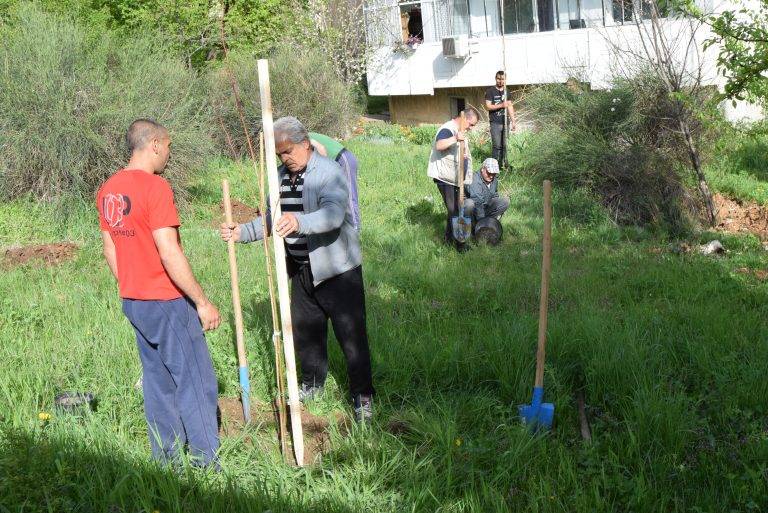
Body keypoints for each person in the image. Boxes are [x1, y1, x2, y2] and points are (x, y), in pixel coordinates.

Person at [219, 117, 375, 423]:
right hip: (302, 270)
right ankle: (312, 385)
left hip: (337, 271)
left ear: (305, 144)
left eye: (288, 151)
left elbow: (332, 215)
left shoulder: (329, 173)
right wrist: (242, 232)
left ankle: (362, 397)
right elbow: (271, 219)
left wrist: (300, 222)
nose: (285, 158)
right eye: (279, 154)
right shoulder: (279, 178)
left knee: (351, 336)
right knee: (307, 333)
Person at [97, 119, 221, 468]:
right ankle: (205, 463)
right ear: (153, 144)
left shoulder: (109, 189)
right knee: (196, 378)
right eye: (168, 146)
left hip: (134, 300)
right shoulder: (155, 188)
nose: (169, 153)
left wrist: (131, 284)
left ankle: (166, 462)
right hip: (166, 301)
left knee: (157, 381)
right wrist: (201, 301)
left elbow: (109, 248)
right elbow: (169, 251)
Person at [427, 106, 480, 250]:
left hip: (455, 178)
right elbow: (439, 145)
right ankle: (460, 245)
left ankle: (448, 240)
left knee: (455, 210)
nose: (471, 128)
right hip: (446, 178)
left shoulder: (459, 130)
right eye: (471, 124)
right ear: (464, 119)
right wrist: (456, 138)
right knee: (455, 210)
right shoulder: (448, 128)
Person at [308, 131, 362, 231]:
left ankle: (355, 229)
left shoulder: (301, 137)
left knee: (349, 196)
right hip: (333, 162)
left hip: (342, 158)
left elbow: (321, 149)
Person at [485, 70, 516, 169]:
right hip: (495, 122)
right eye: (498, 78)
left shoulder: (507, 91)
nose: (500, 81)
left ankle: (504, 165)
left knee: (504, 146)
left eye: (502, 79)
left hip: (505, 122)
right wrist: (502, 105)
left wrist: (513, 121)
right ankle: (494, 166)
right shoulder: (490, 91)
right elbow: (488, 106)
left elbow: (510, 106)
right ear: (495, 78)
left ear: (505, 80)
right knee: (496, 146)